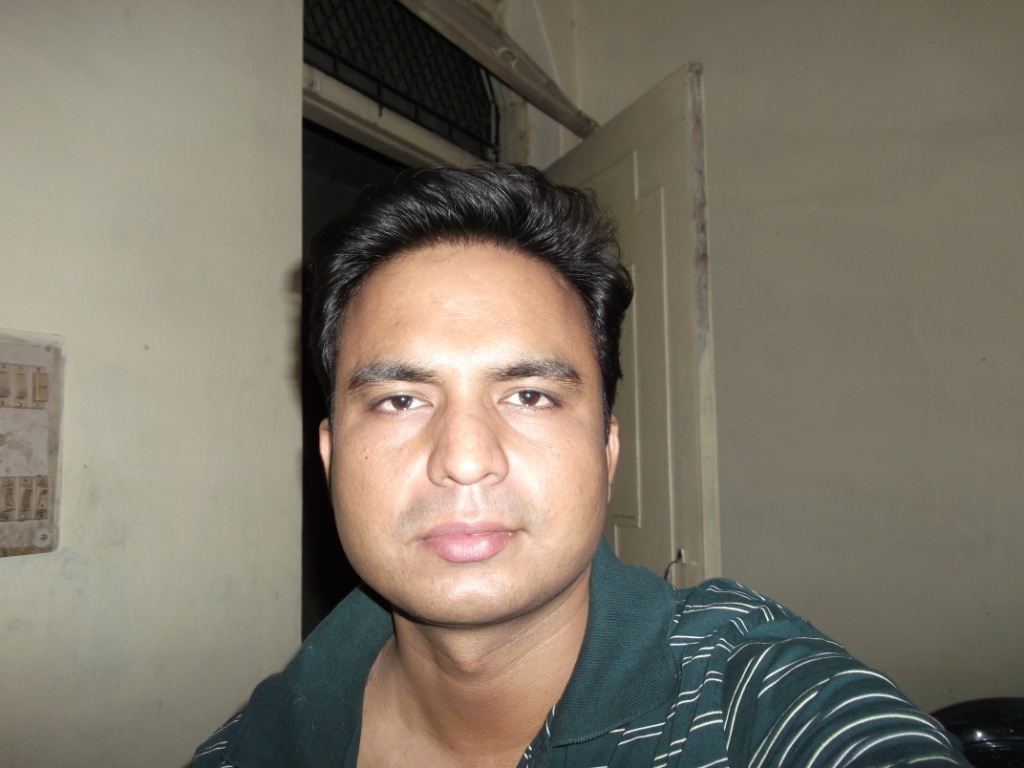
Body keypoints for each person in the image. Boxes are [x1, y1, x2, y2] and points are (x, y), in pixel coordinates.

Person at [192, 165, 966, 767]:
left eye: (529, 395)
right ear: (330, 457)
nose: (466, 459)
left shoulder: (754, 703)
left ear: (607, 450)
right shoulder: (253, 743)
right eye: (399, 400)